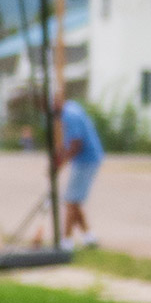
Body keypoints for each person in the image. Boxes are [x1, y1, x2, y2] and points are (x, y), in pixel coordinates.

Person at [56, 93, 104, 246]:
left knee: (70, 201)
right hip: (86, 159)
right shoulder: (70, 108)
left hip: (86, 160)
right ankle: (89, 237)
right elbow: (68, 142)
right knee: (74, 201)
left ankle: (66, 241)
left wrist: (61, 162)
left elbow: (76, 144)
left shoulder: (70, 116)